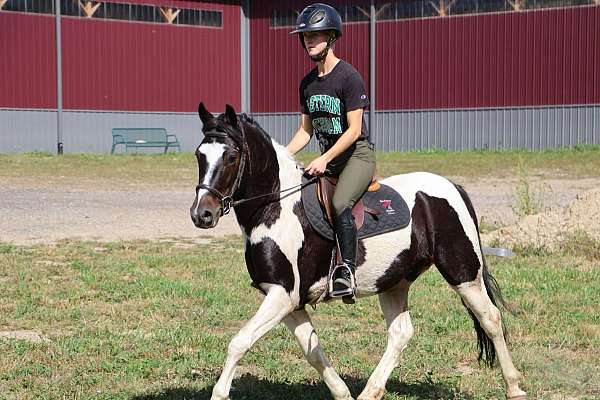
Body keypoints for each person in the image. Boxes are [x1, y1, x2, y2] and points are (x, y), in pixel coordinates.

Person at [286, 3, 376, 303]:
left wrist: (324, 158)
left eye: (316, 35)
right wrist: (282, 156)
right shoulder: (307, 84)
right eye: (306, 37)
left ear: (332, 37)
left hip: (357, 157)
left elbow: (353, 130)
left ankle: (347, 272)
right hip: (329, 160)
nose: (310, 41)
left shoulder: (349, 77)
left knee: (339, 204)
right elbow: (305, 131)